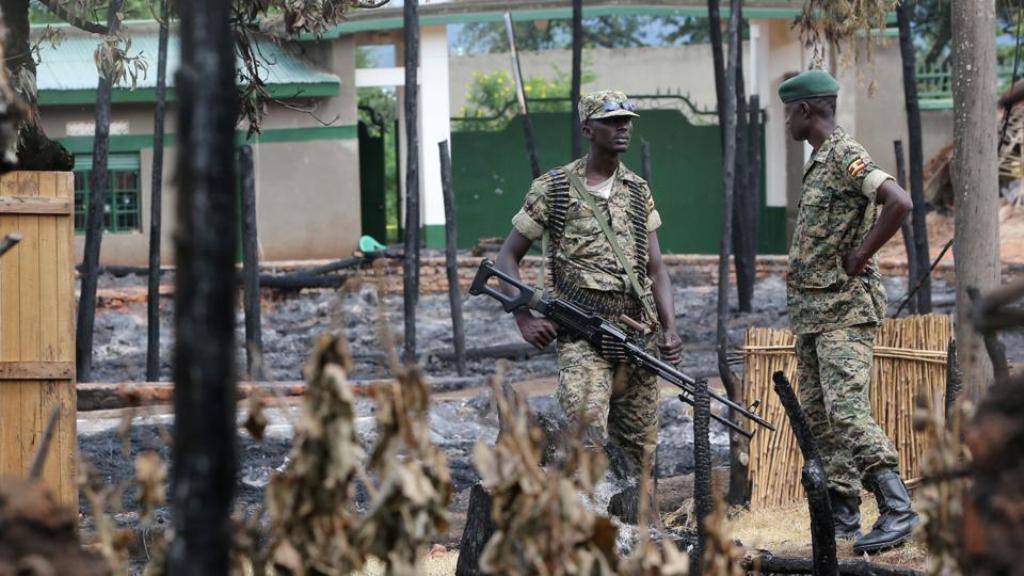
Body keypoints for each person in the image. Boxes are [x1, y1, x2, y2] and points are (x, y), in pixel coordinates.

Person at [494, 90, 683, 472]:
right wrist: (523, 317)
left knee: (640, 449)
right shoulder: (555, 189)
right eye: (611, 121)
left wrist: (670, 329)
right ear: (587, 129)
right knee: (588, 439)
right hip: (583, 337)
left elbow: (656, 267)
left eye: (626, 120)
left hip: (636, 336)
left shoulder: (638, 190)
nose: (623, 128)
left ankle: (639, 528)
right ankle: (588, 523)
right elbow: (505, 258)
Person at [779, 69, 919, 553]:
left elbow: (899, 202)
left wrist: (861, 254)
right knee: (821, 418)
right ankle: (843, 520)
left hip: (843, 312)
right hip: (814, 315)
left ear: (805, 111)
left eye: (787, 112)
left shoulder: (845, 155)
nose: (785, 121)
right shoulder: (820, 160)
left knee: (846, 410)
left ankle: (898, 508)